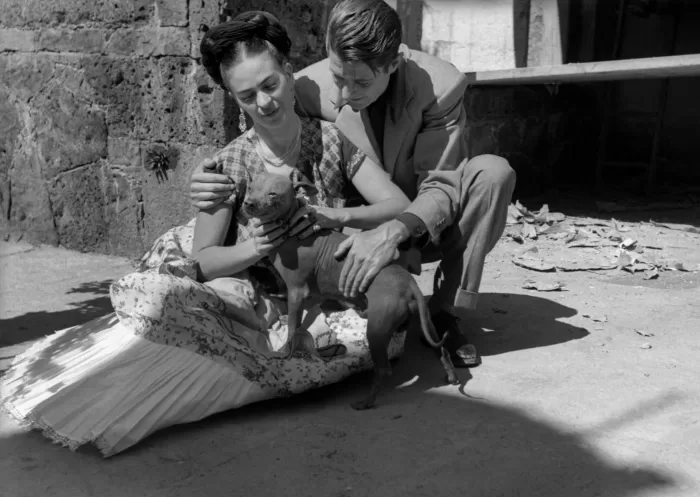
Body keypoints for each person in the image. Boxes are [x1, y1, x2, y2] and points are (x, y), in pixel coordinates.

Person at [0, 11, 412, 458]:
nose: (264, 102)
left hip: (316, 288)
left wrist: (337, 216)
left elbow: (398, 205)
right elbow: (204, 260)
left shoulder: (330, 141)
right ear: (235, 100)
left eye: (270, 85)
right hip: (252, 292)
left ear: (289, 73)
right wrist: (256, 247)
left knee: (384, 333)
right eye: (248, 95)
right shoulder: (227, 166)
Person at [189, 0, 517, 368]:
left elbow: (440, 187)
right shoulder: (299, 90)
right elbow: (267, 139)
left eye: (360, 83)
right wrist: (209, 180)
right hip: (346, 244)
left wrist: (379, 226)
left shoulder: (439, 88)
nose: (341, 96)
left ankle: (444, 312)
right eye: (337, 78)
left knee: (493, 174)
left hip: (419, 218)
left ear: (392, 64)